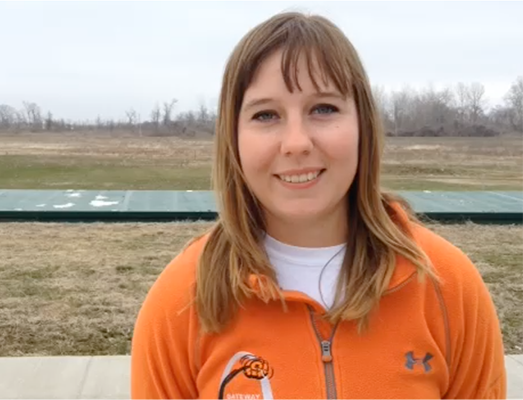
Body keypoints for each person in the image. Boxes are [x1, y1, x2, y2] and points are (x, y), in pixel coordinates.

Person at [130, 11, 507, 400]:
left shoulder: (449, 288)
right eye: (266, 115)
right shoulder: (181, 300)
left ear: (363, 125)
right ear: (233, 138)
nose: (297, 142)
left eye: (323, 108)